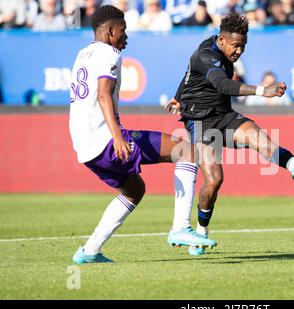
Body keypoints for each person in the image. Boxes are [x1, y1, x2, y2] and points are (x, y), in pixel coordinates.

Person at [164, 13, 294, 256]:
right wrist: (263, 90)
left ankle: (293, 164)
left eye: (243, 46)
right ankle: (200, 233)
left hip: (223, 114)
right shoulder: (207, 54)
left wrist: (177, 95)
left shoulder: (217, 50)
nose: (239, 51)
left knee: (256, 136)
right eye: (236, 45)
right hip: (199, 120)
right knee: (215, 180)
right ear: (222, 39)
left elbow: (188, 74)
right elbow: (223, 85)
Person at [69, 5, 216, 264]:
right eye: (123, 31)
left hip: (84, 148)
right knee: (187, 151)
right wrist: (117, 137)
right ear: (110, 31)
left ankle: (90, 251)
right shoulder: (109, 53)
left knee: (134, 190)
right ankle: (181, 226)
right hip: (105, 141)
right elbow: (103, 95)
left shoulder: (83, 53)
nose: (126, 38)